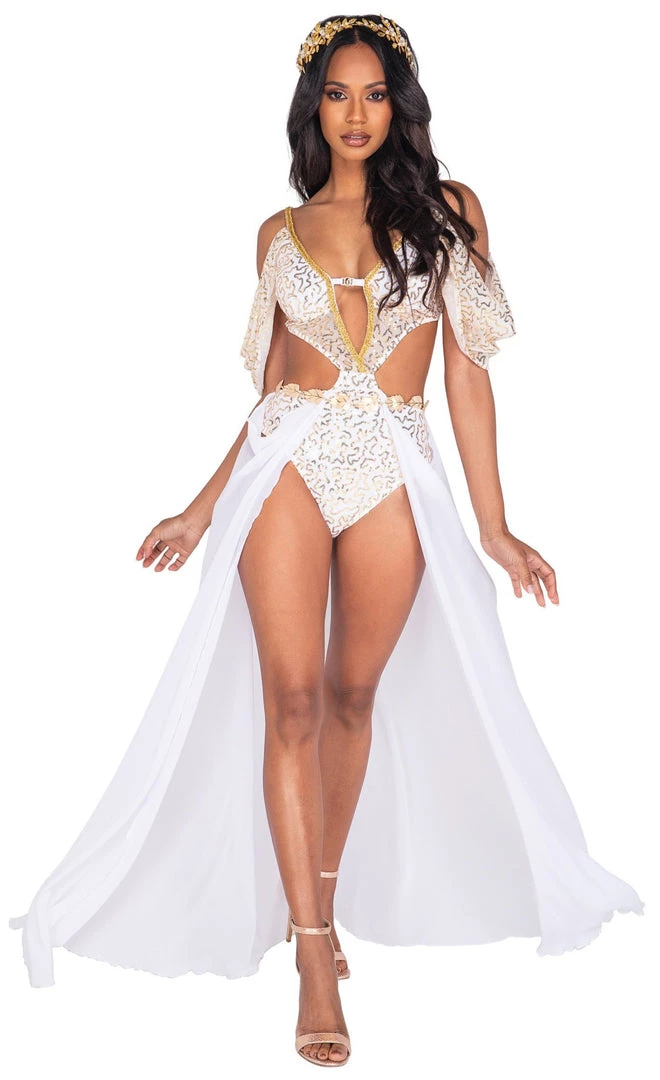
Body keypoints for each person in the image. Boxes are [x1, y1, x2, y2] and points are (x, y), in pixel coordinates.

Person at [10, 13, 644, 1069]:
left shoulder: (450, 211)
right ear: (315, 109)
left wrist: (494, 526)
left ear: (400, 106)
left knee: (353, 696)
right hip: (289, 464)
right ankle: (311, 953)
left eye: (375, 94)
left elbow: (467, 375)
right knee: (293, 699)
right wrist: (202, 506)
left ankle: (325, 894)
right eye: (339, 95)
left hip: (395, 460)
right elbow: (273, 389)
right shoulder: (278, 230)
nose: (357, 114)